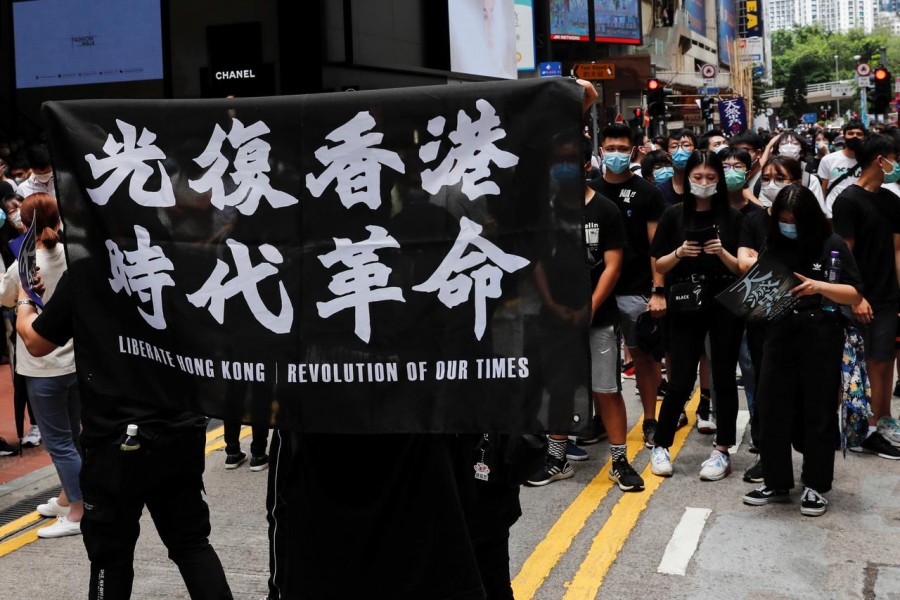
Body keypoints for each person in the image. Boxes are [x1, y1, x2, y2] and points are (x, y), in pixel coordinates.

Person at [16, 273, 234, 597]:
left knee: (110, 558)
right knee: (191, 545)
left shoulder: (88, 270)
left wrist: (24, 301)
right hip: (178, 427)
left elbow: (37, 342)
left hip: (114, 439)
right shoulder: (175, 262)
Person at [742, 184, 863, 516]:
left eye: (793, 220)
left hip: (821, 336)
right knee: (771, 409)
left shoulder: (832, 245)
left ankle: (816, 485)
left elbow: (854, 294)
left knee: (818, 411)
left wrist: (819, 286)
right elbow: (762, 287)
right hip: (779, 333)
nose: (787, 225)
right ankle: (777, 481)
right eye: (781, 219)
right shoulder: (774, 243)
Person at [648, 150, 744, 480]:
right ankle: (661, 445)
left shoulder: (733, 218)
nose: (704, 184)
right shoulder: (673, 216)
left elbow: (743, 268)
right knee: (680, 378)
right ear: (687, 178)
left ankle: (722, 450)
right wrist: (679, 252)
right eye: (698, 177)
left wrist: (722, 252)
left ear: (719, 180)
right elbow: (658, 264)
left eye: (711, 178)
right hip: (685, 302)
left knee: (723, 377)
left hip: (724, 301)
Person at [0, 194, 81, 537]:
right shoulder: (73, 254)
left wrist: (20, 295)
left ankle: (78, 511)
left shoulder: (21, 265)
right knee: (74, 437)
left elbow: (5, 298)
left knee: (58, 443)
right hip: (74, 360)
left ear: (25, 224)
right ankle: (67, 497)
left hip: (41, 366)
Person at [588, 123, 667, 450]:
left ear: (634, 152)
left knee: (643, 357)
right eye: (611, 148)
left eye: (623, 149)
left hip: (636, 289)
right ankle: (600, 419)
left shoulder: (649, 193)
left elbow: (656, 246)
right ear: (600, 151)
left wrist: (658, 290)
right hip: (595, 291)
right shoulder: (589, 190)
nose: (617, 154)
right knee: (598, 362)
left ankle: (650, 420)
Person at [737, 155, 808, 483]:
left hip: (803, 319)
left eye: (780, 177)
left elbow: (815, 267)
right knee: (766, 390)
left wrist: (763, 264)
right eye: (766, 177)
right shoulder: (753, 220)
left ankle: (811, 459)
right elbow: (742, 263)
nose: (771, 183)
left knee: (802, 390)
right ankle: (769, 458)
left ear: (797, 181)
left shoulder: (811, 222)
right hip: (762, 316)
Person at [832, 133, 900, 460]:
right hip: (858, 296)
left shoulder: (890, 201)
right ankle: (845, 427)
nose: (895, 165)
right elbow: (845, 255)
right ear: (879, 160)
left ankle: (877, 426)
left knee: (883, 360)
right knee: (851, 364)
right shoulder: (847, 201)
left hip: (888, 295)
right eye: (893, 158)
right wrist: (855, 297)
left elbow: (898, 250)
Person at [581, 136, 644, 492]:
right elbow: (542, 265)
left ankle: (619, 460)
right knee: (562, 386)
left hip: (599, 316)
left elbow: (612, 266)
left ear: (586, 164)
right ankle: (556, 456)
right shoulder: (549, 208)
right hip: (558, 317)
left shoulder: (605, 210)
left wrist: (589, 307)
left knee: (606, 387)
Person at [818, 120, 866, 218]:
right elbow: (823, 189)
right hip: (832, 214)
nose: (855, 136)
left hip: (860, 215)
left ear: (864, 137)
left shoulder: (869, 161)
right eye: (851, 133)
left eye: (859, 134)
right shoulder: (828, 160)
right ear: (844, 137)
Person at [657, 129, 698, 207]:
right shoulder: (661, 191)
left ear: (695, 152)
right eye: (674, 146)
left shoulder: (703, 187)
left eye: (686, 145)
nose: (680, 151)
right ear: (668, 156)